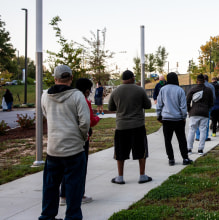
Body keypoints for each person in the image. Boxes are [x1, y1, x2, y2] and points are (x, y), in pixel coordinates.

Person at [40, 65, 90, 220]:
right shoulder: (77, 96)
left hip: (53, 149)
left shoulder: (45, 95)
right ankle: (72, 217)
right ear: (71, 78)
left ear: (55, 78)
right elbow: (85, 122)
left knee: (50, 187)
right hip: (74, 149)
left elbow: (46, 114)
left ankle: (47, 216)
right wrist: (82, 137)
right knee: (74, 187)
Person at [60, 78, 100, 206]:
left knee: (66, 168)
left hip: (66, 137)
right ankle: (80, 195)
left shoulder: (68, 98)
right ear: (87, 90)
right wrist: (97, 118)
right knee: (80, 169)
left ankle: (64, 196)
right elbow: (89, 121)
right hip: (81, 139)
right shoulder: (83, 100)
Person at [108, 70, 152, 185]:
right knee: (141, 151)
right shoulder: (140, 90)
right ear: (132, 78)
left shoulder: (116, 91)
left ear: (123, 79)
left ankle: (120, 177)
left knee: (120, 152)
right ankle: (142, 175)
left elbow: (111, 107)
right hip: (137, 125)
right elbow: (148, 105)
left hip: (121, 126)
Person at [156, 72, 192, 166]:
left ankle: (171, 159)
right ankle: (185, 158)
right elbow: (183, 106)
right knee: (181, 139)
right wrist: (184, 116)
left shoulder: (163, 90)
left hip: (167, 119)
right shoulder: (180, 90)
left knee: (168, 140)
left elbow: (159, 104)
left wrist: (159, 115)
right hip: (178, 119)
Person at [187, 74, 214, 155]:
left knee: (192, 131)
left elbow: (187, 102)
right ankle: (200, 149)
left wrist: (189, 110)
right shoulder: (208, 90)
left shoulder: (192, 89)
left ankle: (189, 149)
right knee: (203, 131)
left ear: (197, 81)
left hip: (194, 112)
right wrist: (207, 109)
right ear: (204, 81)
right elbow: (211, 103)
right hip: (204, 113)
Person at [195, 74, 215, 141]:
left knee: (198, 122)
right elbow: (213, 97)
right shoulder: (211, 86)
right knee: (205, 123)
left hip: (197, 107)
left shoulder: (196, 87)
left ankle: (198, 136)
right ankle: (205, 136)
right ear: (207, 79)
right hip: (207, 107)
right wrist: (211, 106)